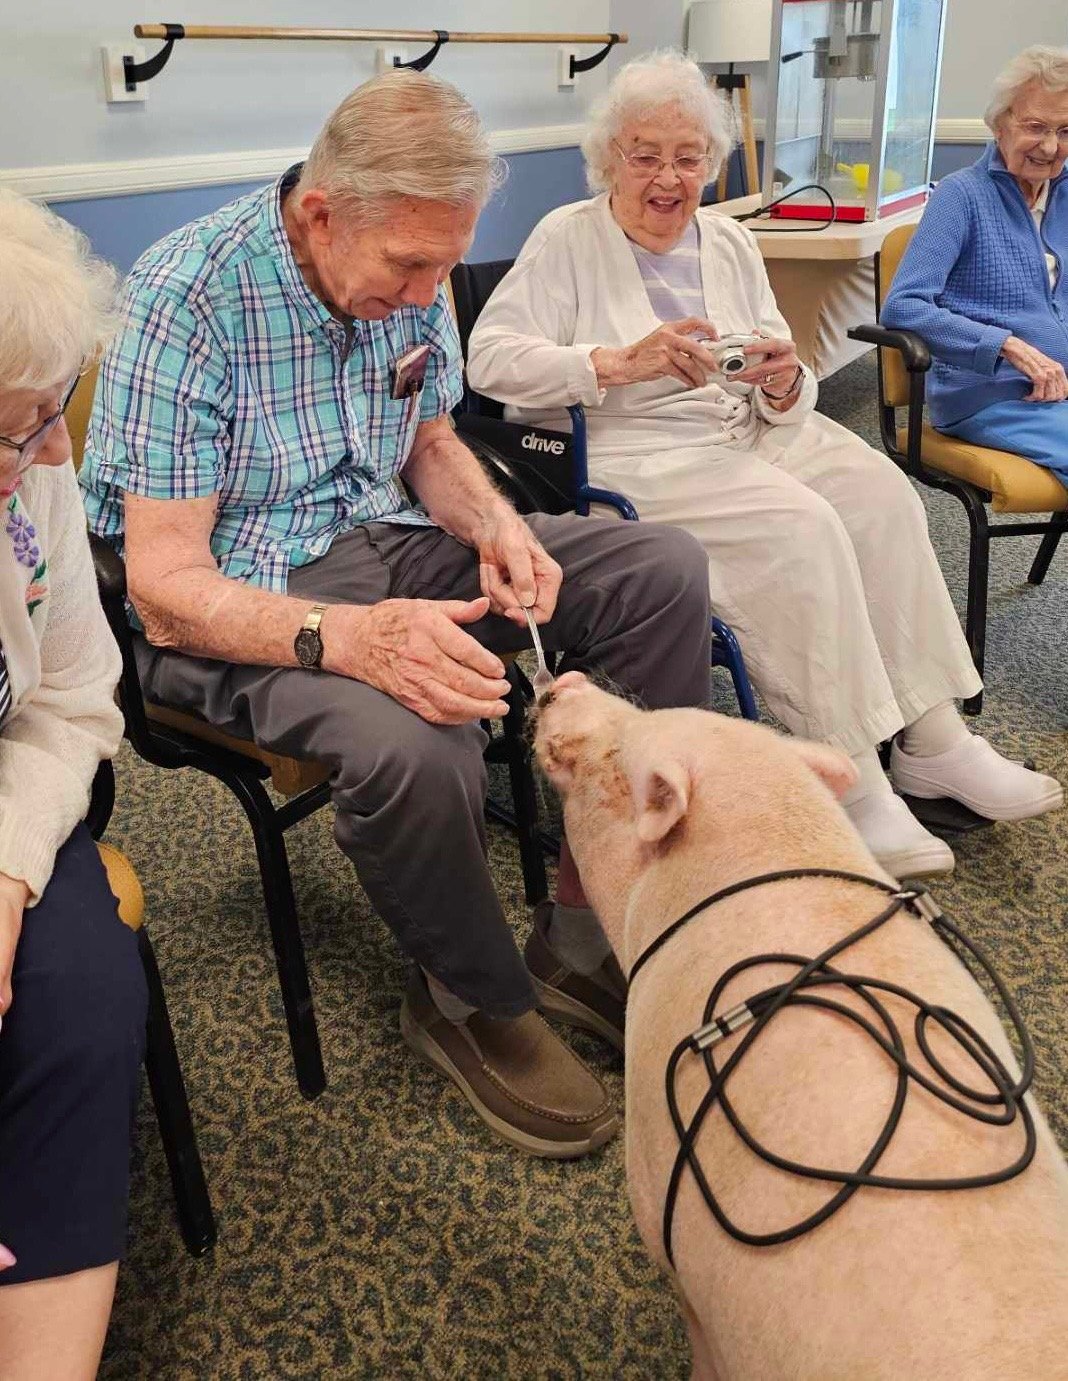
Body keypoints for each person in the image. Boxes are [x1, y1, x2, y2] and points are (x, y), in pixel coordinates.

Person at [80, 70, 713, 1154]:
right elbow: (162, 585)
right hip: (234, 596)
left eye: (445, 261)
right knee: (418, 740)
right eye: (411, 265)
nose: (430, 293)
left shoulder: (401, 279)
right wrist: (353, 641)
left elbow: (426, 440)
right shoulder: (184, 297)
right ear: (321, 213)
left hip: (386, 539)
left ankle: (581, 922)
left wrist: (494, 524)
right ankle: (472, 997)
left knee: (661, 568)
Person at [466, 50, 1063, 882]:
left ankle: (933, 738)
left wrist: (786, 379)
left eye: (689, 158)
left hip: (749, 429)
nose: (670, 178)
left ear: (711, 165)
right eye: (646, 156)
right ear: (611, 159)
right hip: (640, 452)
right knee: (802, 527)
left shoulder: (729, 241)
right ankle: (846, 771)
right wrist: (613, 362)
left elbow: (793, 373)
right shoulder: (566, 238)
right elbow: (488, 360)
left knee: (882, 496)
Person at [0, 190, 147, 1376]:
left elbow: (70, 699)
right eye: (18, 430)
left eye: (54, 415)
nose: (55, 455)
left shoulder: (34, 474)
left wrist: (5, 867)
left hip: (20, 800)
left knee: (81, 1014)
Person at [883, 46, 1068, 481]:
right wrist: (1008, 345)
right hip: (990, 397)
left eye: (1065, 130)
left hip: (1057, 399)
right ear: (1000, 124)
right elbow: (903, 307)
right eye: (1036, 127)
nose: (1050, 146)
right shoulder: (960, 196)